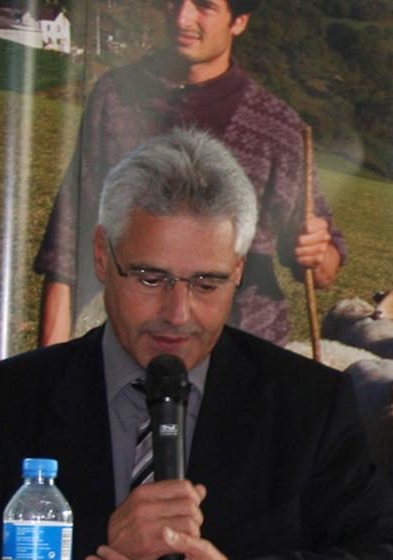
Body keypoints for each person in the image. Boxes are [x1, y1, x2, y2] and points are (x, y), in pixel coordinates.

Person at [0, 129, 393, 560]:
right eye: (150, 277)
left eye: (206, 283)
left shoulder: (309, 405)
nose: (177, 313)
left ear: (238, 271)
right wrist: (92, 541)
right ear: (101, 257)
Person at [34, 0, 345, 348]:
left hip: (240, 350)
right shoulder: (117, 96)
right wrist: (50, 367)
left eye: (204, 6)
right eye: (174, 2)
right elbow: (69, 241)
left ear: (239, 21)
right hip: (130, 343)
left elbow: (324, 268)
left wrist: (315, 251)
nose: (182, 17)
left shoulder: (277, 126)